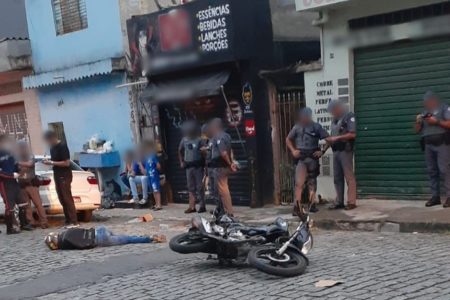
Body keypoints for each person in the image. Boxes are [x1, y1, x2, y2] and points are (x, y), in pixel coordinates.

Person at [286, 107, 329, 215]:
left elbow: (329, 139)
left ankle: (312, 204)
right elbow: (288, 139)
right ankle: (297, 207)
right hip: (301, 158)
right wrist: (293, 150)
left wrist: (322, 151)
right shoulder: (297, 127)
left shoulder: (316, 127)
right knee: (299, 183)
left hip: (312, 157)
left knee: (312, 182)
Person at [415, 91, 450, 207]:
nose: (427, 103)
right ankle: (435, 197)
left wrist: (437, 121)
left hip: (442, 144)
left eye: (429, 100)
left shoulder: (444, 108)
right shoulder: (425, 113)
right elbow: (417, 130)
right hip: (428, 145)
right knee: (432, 171)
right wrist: (418, 122)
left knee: (445, 170)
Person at [324, 100, 357, 210]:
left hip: (345, 150)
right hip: (336, 151)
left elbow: (352, 134)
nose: (332, 113)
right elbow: (331, 137)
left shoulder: (349, 116)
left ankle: (351, 202)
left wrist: (337, 138)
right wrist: (323, 150)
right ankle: (339, 201)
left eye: (333, 110)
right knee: (337, 178)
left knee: (349, 177)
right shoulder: (334, 120)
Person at [42, 131, 79, 228]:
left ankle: (74, 221)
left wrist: (52, 163)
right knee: (61, 197)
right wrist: (49, 162)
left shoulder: (62, 146)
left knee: (67, 197)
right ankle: (68, 220)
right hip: (56, 173)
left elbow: (66, 163)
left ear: (52, 138)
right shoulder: (52, 148)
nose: (48, 143)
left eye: (49, 140)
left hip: (64, 174)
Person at [0, 135, 33, 234]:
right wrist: (11, 175)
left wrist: (20, 171)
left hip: (15, 182)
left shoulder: (10, 153)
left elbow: (15, 165)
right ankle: (10, 228)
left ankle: (24, 224)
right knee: (9, 207)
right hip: (5, 183)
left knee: (22, 202)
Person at [44, 225, 166, 250]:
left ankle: (150, 238)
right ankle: (149, 237)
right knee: (125, 237)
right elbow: (81, 230)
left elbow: (82, 245)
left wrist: (91, 245)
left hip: (101, 240)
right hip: (100, 230)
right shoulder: (67, 232)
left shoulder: (65, 243)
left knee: (128, 239)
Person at [209, 118, 238, 217]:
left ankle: (229, 213)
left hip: (220, 166)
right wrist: (232, 162)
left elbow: (224, 153)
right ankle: (223, 211)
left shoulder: (219, 137)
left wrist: (230, 163)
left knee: (223, 190)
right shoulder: (227, 136)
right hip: (224, 165)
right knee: (222, 189)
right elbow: (231, 151)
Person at [17, 141, 49, 229]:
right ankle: (31, 222)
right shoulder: (17, 157)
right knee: (27, 206)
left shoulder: (30, 155)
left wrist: (18, 163)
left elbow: (30, 164)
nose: (21, 149)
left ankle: (44, 222)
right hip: (22, 185)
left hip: (31, 184)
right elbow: (17, 169)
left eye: (22, 147)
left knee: (38, 204)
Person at [178, 121, 206, 214]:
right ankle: (192, 206)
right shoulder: (184, 140)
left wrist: (204, 159)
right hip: (188, 166)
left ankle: (202, 206)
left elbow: (205, 152)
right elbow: (179, 150)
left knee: (200, 187)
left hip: (198, 166)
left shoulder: (199, 140)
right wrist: (181, 161)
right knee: (190, 187)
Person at [143, 140, 162, 210]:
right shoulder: (147, 158)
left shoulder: (153, 156)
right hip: (149, 176)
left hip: (154, 176)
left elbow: (158, 165)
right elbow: (145, 169)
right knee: (153, 190)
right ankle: (156, 204)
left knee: (156, 190)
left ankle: (159, 204)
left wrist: (156, 171)